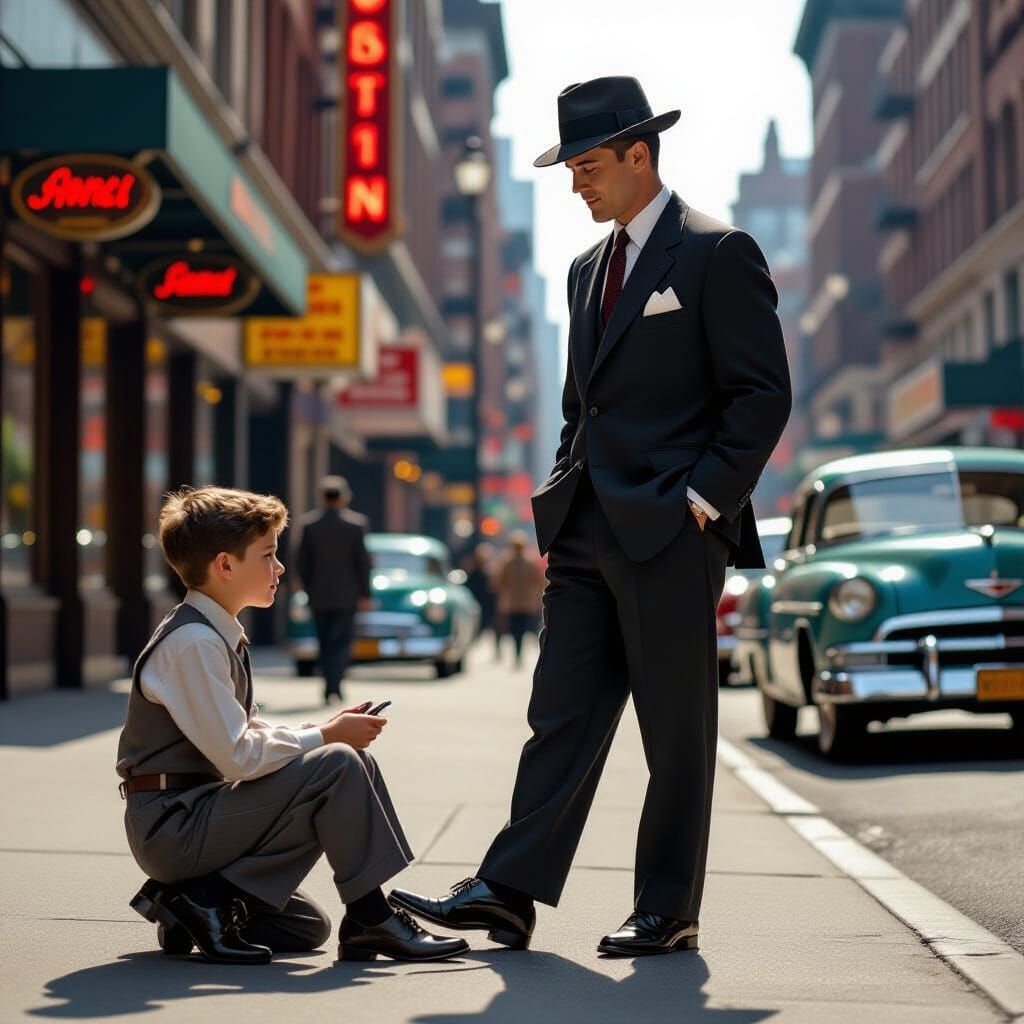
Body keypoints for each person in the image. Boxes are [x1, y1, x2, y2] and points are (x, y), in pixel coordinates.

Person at [391, 77, 791, 957]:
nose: (579, 183)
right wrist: (562, 493)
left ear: (641, 155)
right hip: (584, 530)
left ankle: (668, 908)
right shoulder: (585, 270)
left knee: (675, 732)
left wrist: (700, 500)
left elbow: (762, 395)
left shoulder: (719, 253)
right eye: (571, 168)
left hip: (673, 530)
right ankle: (508, 891)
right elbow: (582, 405)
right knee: (559, 714)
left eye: (591, 165)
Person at [116, 485, 467, 964]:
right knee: (339, 764)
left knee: (305, 927)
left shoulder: (214, 634)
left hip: (196, 812)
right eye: (268, 555)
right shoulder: (194, 642)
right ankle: (370, 917)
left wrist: (324, 727)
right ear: (225, 565)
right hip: (174, 825)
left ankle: (198, 902)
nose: (279, 568)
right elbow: (238, 757)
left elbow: (248, 736)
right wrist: (326, 737)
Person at [294, 475, 372, 705]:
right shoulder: (355, 525)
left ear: (322, 498)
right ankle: (334, 685)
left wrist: (307, 588)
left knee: (324, 641)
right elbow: (363, 563)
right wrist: (365, 594)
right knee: (341, 641)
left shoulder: (310, 525)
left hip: (318, 595)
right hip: (347, 596)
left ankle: (330, 686)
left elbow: (301, 562)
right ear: (343, 497)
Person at [493, 532, 545, 668]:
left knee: (516, 629)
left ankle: (517, 654)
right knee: (519, 629)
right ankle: (518, 654)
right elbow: (540, 582)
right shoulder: (524, 563)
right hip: (522, 603)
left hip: (513, 603)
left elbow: (498, 582)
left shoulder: (508, 563)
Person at [464, 542, 500, 657]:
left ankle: (495, 649)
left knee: (493, 626)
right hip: (478, 603)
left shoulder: (490, 572)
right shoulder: (473, 572)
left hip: (487, 604)